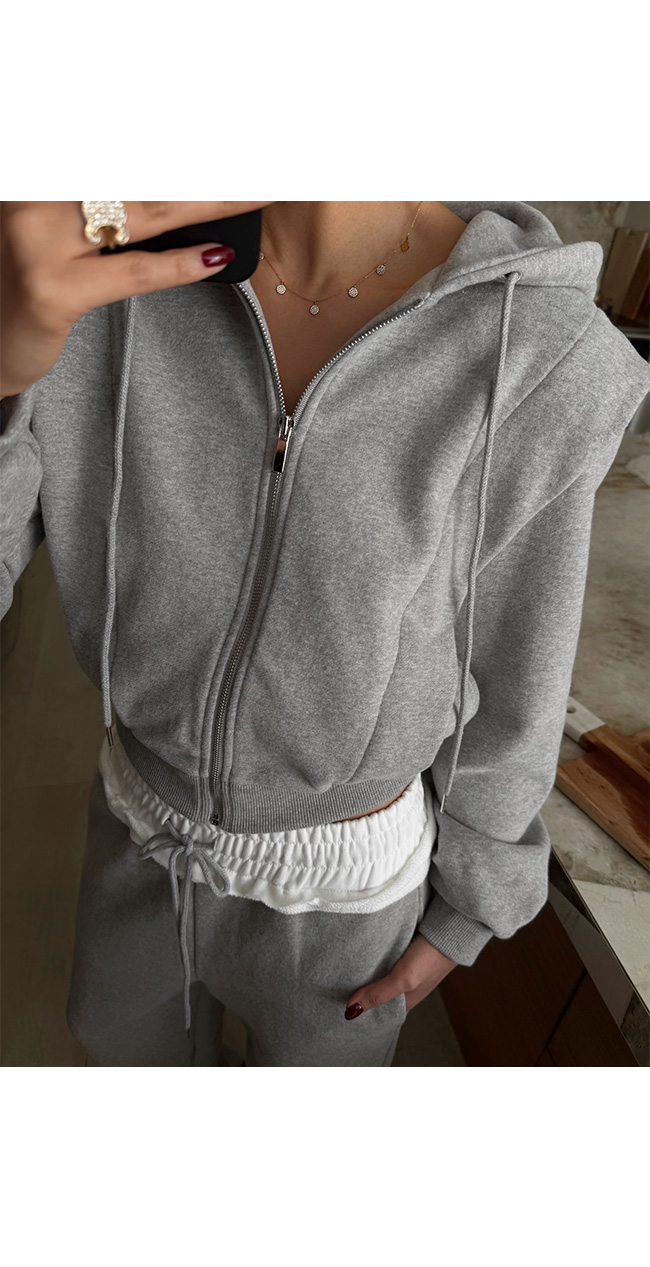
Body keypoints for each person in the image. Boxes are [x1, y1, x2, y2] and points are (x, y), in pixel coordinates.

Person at [1, 200, 648, 1067]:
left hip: (349, 896)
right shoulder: (88, 281)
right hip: (137, 825)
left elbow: (521, 666)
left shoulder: (548, 354)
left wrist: (472, 905)